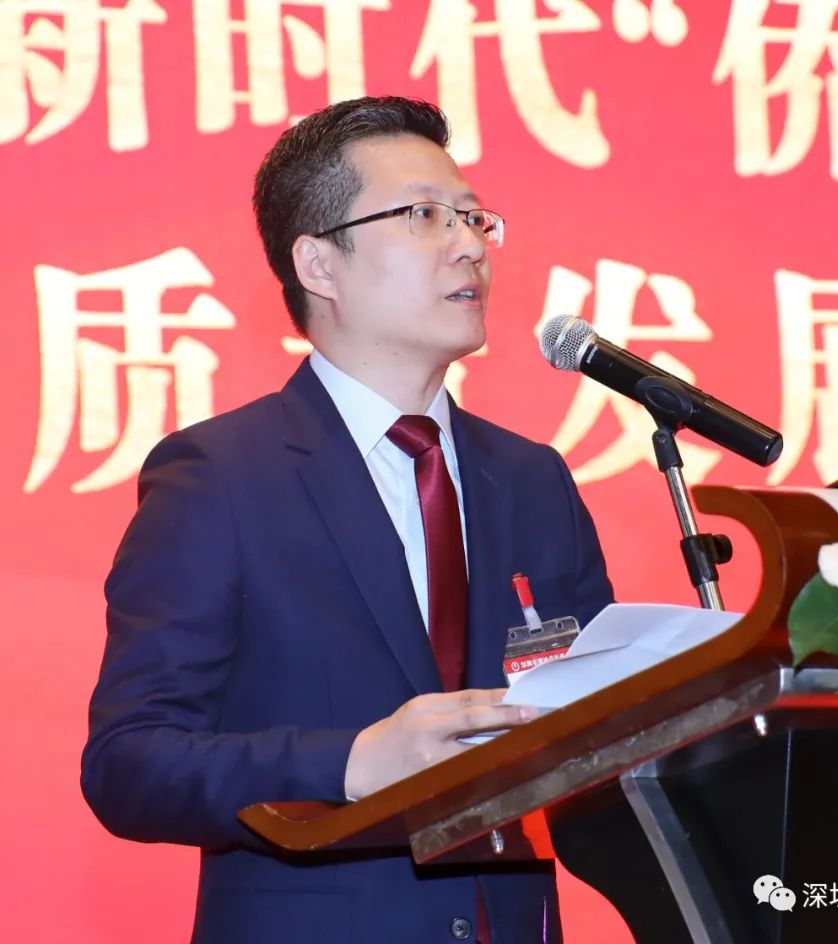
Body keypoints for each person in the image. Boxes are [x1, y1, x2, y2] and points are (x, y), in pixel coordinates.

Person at [81, 96, 614, 944]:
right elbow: (129, 763)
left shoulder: (532, 479)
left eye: (474, 217)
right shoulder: (221, 477)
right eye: (425, 215)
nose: (471, 245)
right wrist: (350, 763)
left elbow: (598, 724)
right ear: (319, 264)